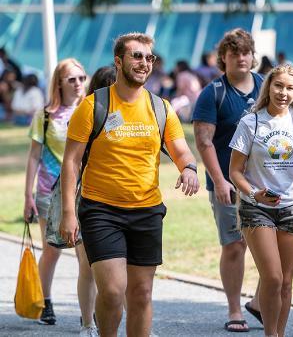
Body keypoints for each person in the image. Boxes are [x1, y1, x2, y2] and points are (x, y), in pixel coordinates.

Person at [59, 32, 199, 337]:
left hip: (147, 211)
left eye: (149, 58)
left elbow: (181, 149)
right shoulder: (93, 106)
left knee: (141, 294)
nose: (144, 63)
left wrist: (189, 168)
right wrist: (69, 212)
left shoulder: (161, 108)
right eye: (137, 56)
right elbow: (71, 162)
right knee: (111, 291)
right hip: (101, 211)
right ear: (119, 61)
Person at [229, 64, 293, 337]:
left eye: (290, 88)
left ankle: (279, 333)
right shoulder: (250, 122)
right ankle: (270, 334)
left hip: (291, 207)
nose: (283, 93)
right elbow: (235, 172)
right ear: (268, 87)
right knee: (273, 277)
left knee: (286, 282)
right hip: (257, 207)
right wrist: (254, 194)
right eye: (278, 86)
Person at [192, 28, 263, 332]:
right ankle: (235, 310)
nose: (241, 58)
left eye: (246, 52)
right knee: (235, 246)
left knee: (274, 245)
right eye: (234, 53)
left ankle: (260, 302)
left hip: (265, 184)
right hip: (228, 184)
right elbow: (204, 141)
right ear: (224, 58)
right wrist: (219, 181)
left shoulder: (266, 86)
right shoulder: (214, 93)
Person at [23, 58, 86, 325]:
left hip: (84, 193)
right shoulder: (45, 116)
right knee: (52, 250)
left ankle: (90, 310)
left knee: (87, 254)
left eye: (82, 78)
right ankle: (45, 302)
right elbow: (34, 157)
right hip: (49, 192)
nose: (78, 84)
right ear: (59, 83)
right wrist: (28, 196)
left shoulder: (91, 110)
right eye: (71, 79)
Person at [75, 65, 117, 337]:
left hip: (124, 200)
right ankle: (87, 324)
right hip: (90, 197)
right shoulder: (88, 113)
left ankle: (113, 325)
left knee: (120, 271)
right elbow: (74, 162)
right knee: (88, 265)